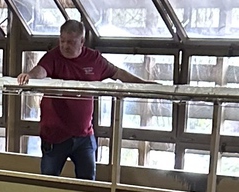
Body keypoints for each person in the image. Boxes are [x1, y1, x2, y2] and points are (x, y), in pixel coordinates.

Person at [16, 20, 149, 180]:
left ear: (82, 42)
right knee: (49, 181)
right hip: (55, 136)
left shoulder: (94, 59)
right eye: (62, 41)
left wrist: (145, 85)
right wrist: (29, 76)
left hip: (84, 135)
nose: (65, 46)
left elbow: (119, 74)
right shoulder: (53, 57)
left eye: (70, 42)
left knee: (88, 182)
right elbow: (41, 70)